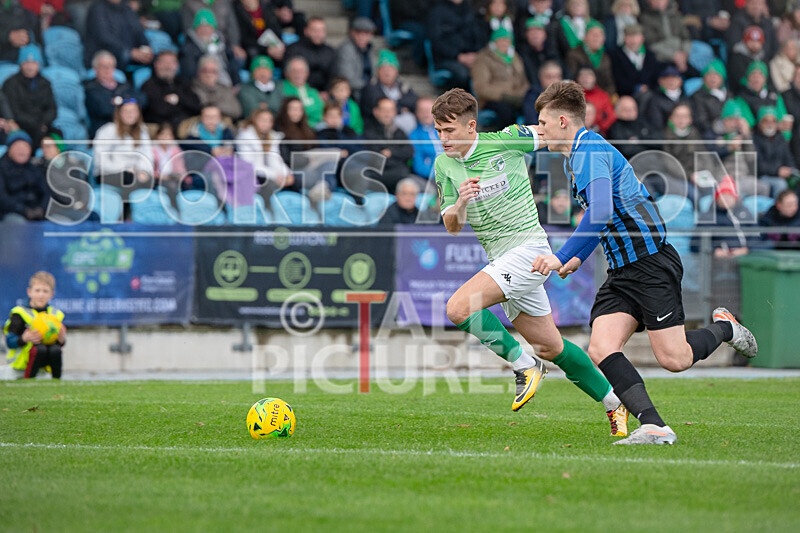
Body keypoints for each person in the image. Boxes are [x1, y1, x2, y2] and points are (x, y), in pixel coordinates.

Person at [531, 81, 758, 445]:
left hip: (650, 263)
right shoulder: (579, 153)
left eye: (541, 122)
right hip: (624, 270)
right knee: (602, 347)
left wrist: (561, 255)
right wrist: (577, 256)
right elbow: (600, 213)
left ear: (561, 121)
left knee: (675, 358)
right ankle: (653, 425)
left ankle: (725, 328)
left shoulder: (588, 151)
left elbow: (601, 210)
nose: (537, 130)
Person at [432, 88, 628, 434]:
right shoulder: (443, 165)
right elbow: (452, 225)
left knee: (458, 308)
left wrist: (590, 156)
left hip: (528, 250)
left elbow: (557, 132)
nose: (443, 139)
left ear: (471, 127)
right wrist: (461, 202)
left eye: (448, 131)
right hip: (500, 258)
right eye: (438, 131)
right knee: (551, 346)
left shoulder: (507, 140)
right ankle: (615, 404)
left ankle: (524, 366)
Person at [3, 271, 66, 379]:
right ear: (29, 292)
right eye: (37, 290)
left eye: (45, 291)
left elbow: (59, 342)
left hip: (43, 369)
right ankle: (28, 378)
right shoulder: (19, 313)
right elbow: (9, 342)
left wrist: (62, 340)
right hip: (20, 367)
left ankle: (56, 379)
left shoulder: (55, 314)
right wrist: (24, 338)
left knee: (55, 350)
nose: (41, 295)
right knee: (39, 348)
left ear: (52, 294)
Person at [92, 99, 154, 203]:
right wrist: (124, 169)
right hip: (108, 173)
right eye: (126, 111)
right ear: (119, 113)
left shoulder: (142, 131)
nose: (130, 114)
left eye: (133, 111)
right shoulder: (107, 130)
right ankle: (124, 213)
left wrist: (143, 171)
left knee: (149, 180)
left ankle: (136, 213)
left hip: (133, 173)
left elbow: (147, 155)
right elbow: (100, 160)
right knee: (129, 179)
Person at [470, 27, 530, 130]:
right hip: (493, 99)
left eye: (507, 40)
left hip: (515, 97)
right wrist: (504, 95)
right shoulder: (483, 58)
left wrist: (520, 94)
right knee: (506, 111)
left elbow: (523, 81)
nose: (504, 43)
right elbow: (481, 87)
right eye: (501, 40)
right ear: (494, 42)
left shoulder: (514, 57)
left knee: (530, 105)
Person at [1, 45, 56, 148]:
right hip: (21, 126)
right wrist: (37, 124)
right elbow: (14, 111)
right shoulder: (10, 83)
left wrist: (43, 123)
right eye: (27, 63)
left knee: (57, 136)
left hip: (42, 125)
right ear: (21, 64)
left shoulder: (45, 83)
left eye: (34, 63)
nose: (30, 67)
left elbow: (52, 108)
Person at [363, 98, 418, 194]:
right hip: (375, 176)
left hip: (398, 174)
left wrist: (391, 152)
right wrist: (397, 156)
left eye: (391, 110)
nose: (387, 114)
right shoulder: (368, 131)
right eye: (384, 110)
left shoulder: (399, 131)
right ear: (376, 112)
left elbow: (410, 152)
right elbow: (375, 157)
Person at [427, 0, 484, 91]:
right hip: (446, 59)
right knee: (463, 74)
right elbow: (436, 41)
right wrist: (458, 56)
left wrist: (475, 55)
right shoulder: (437, 11)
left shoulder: (470, 11)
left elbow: (478, 37)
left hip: (471, 57)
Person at [236, 107, 293, 197]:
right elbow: (251, 166)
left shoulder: (272, 136)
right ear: (254, 121)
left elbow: (275, 160)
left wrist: (287, 174)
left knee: (294, 182)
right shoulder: (245, 137)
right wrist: (275, 176)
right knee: (269, 184)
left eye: (269, 120)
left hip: (268, 174)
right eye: (263, 120)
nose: (266, 123)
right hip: (249, 175)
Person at [85, 50, 143, 136]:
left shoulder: (124, 85)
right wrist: (126, 102)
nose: (107, 70)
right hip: (103, 129)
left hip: (128, 129)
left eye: (110, 66)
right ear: (95, 69)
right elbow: (103, 109)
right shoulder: (90, 87)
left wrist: (118, 101)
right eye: (103, 67)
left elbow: (140, 101)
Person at [361, 49, 419, 135]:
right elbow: (376, 104)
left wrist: (396, 105)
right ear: (378, 71)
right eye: (383, 69)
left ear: (396, 71)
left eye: (390, 68)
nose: (387, 72)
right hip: (377, 127)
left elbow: (413, 102)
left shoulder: (403, 86)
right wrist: (400, 109)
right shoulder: (371, 87)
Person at [83, 0, 152, 69]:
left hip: (129, 55)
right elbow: (104, 37)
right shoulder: (97, 8)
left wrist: (146, 48)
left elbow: (138, 32)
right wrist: (131, 52)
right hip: (105, 56)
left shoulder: (127, 9)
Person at [142, 49, 202, 128]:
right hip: (161, 130)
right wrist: (183, 105)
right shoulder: (149, 85)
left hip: (186, 126)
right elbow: (159, 111)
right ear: (156, 64)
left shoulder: (184, 82)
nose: (167, 66)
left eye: (171, 63)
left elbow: (197, 106)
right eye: (164, 62)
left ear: (177, 66)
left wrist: (178, 99)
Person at [180, 9, 240, 86]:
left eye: (208, 27)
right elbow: (189, 72)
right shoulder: (188, 47)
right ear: (195, 29)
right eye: (201, 27)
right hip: (202, 85)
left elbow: (232, 64)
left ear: (213, 29)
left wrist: (236, 83)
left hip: (226, 83)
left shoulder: (222, 42)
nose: (205, 30)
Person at [0, 130, 49, 223]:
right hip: (11, 213)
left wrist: (42, 209)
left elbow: (46, 192)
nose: (22, 150)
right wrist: (24, 211)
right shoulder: (2, 168)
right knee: (19, 224)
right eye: (18, 147)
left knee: (58, 222)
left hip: (37, 212)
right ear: (9, 149)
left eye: (25, 146)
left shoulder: (35, 168)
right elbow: (2, 198)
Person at [753, 106, 798, 197]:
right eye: (766, 121)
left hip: (782, 174)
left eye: (773, 121)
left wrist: (790, 169)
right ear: (760, 123)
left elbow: (789, 158)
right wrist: (777, 171)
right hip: (763, 176)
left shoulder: (780, 137)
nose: (770, 124)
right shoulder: (754, 139)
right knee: (781, 185)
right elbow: (758, 165)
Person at [638, 0, 692, 75]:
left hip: (682, 56)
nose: (659, 2)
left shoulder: (676, 15)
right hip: (661, 58)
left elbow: (686, 38)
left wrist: (684, 54)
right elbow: (651, 44)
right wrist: (674, 56)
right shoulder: (645, 18)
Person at [284, 16, 336, 93]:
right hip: (297, 92)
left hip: (324, 94)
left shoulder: (330, 52)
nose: (318, 34)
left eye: (321, 30)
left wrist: (327, 92)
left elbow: (333, 77)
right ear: (306, 31)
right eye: (314, 30)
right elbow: (288, 75)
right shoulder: (293, 49)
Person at [565, 20, 615, 95]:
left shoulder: (605, 57)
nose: (597, 38)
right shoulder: (574, 54)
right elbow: (572, 79)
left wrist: (608, 95)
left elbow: (609, 82)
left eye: (600, 35)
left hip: (601, 97)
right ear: (585, 37)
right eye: (594, 35)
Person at [609, 24, 659, 97]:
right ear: (624, 38)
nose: (633, 40)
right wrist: (634, 88)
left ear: (642, 38)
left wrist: (647, 87)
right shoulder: (616, 55)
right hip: (626, 94)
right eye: (630, 36)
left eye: (636, 36)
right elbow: (617, 78)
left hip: (649, 93)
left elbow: (654, 76)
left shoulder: (650, 55)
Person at [334, 16, 377, 101]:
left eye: (366, 33)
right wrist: (369, 87)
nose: (362, 36)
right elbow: (347, 79)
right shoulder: (346, 50)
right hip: (352, 92)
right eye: (358, 32)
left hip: (368, 90)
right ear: (352, 33)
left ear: (371, 35)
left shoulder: (370, 50)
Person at [233, 0, 285, 66]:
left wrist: (278, 45)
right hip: (253, 46)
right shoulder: (237, 10)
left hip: (271, 44)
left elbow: (276, 28)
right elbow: (244, 39)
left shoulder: (267, 7)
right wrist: (266, 49)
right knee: (253, 52)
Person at [190, 55, 242, 121]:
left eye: (213, 71)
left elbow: (236, 111)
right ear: (198, 72)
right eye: (205, 71)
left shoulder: (225, 88)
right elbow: (203, 106)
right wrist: (221, 104)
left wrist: (213, 105)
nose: (208, 74)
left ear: (218, 74)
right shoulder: (192, 87)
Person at [280, 56, 325, 128]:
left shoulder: (313, 92)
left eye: (301, 70)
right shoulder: (281, 90)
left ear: (307, 73)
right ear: (287, 73)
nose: (298, 74)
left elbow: (320, 113)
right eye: (294, 71)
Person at [690, 59, 729, 138]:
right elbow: (701, 123)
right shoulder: (697, 97)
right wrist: (723, 127)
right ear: (704, 78)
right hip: (709, 137)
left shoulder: (729, 95)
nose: (713, 78)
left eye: (716, 75)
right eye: (709, 75)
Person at [642, 65, 686, 132]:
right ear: (660, 81)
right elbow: (657, 124)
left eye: (674, 78)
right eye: (667, 78)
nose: (671, 81)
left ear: (680, 80)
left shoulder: (686, 98)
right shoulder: (654, 99)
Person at [518, 17, 558, 86]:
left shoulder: (552, 50)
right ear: (526, 35)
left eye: (538, 30)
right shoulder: (521, 53)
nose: (535, 34)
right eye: (531, 31)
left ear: (545, 34)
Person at [409, 97, 443, 180]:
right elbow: (419, 167)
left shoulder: (445, 130)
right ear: (417, 113)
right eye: (422, 110)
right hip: (431, 178)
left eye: (429, 110)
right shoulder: (414, 136)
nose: (426, 113)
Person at [728, 25, 769, 94]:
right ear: (745, 42)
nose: (755, 45)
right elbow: (739, 79)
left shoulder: (763, 58)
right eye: (751, 41)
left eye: (757, 42)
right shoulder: (737, 57)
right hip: (741, 93)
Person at [576, 67, 615, 135]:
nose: (586, 78)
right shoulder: (572, 96)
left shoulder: (603, 95)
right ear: (577, 79)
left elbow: (610, 117)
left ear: (595, 78)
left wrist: (599, 128)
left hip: (599, 133)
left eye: (589, 75)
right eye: (582, 76)